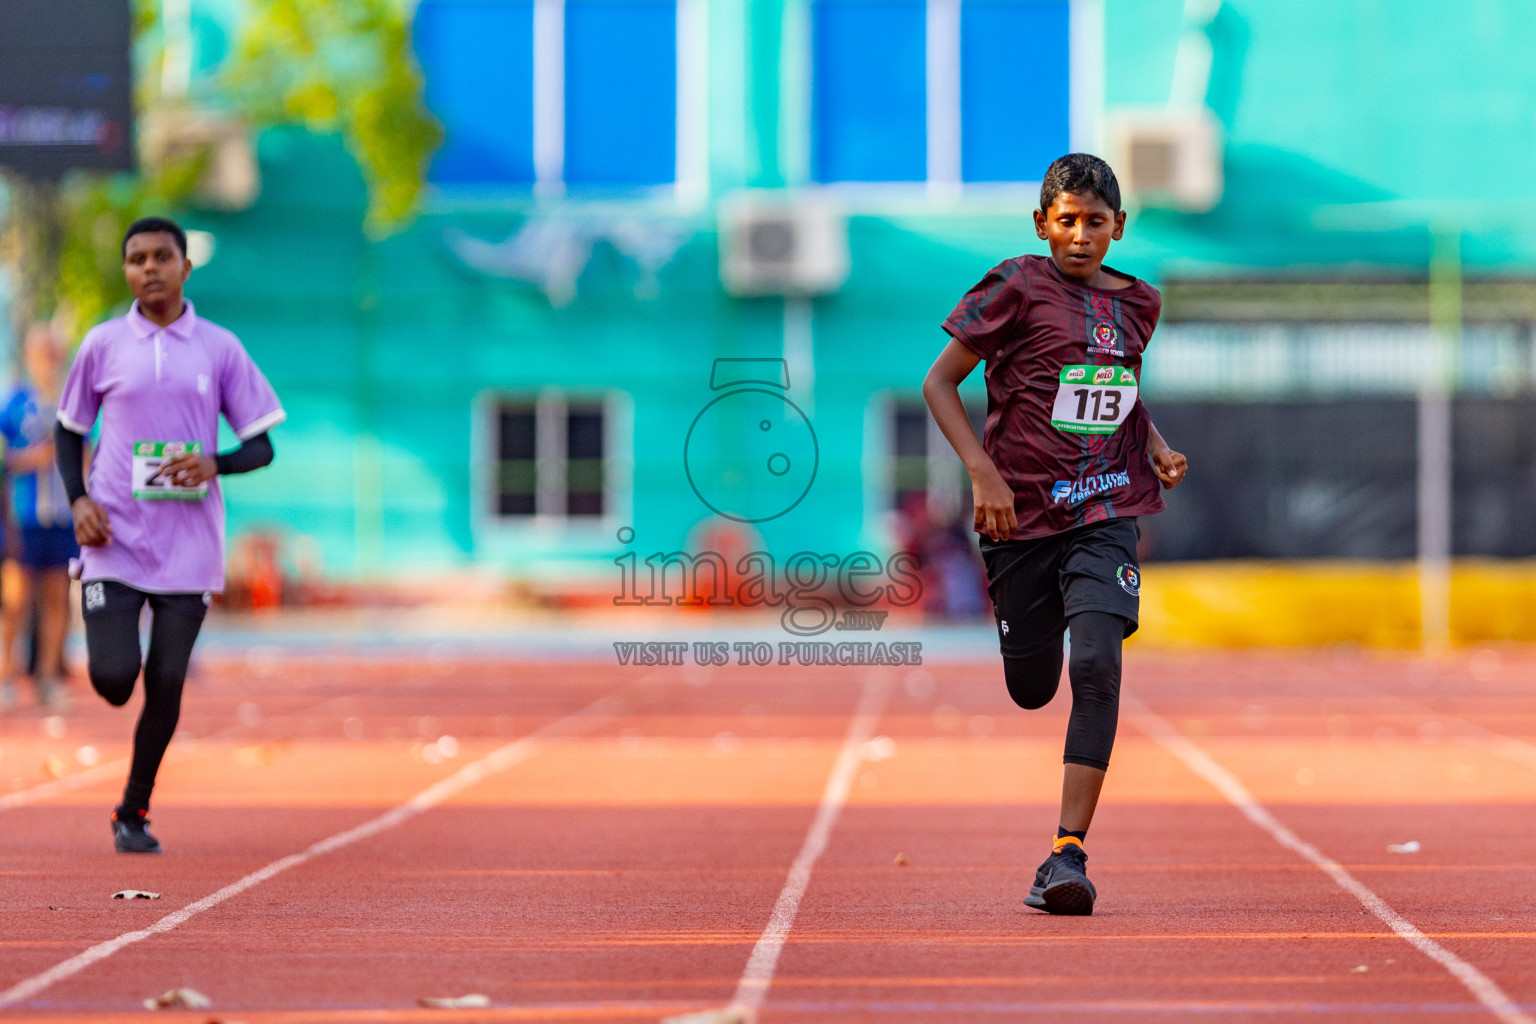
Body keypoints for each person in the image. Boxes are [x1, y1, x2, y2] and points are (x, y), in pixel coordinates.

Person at [923, 154, 1187, 915]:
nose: (1080, 236)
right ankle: (1023, 639)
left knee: (1098, 664)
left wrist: (1155, 443)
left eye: (1094, 223)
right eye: (1066, 222)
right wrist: (982, 473)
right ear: (1043, 225)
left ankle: (1066, 854)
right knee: (1033, 686)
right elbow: (939, 383)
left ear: (1118, 228)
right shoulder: (1015, 285)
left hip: (1106, 508)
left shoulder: (1139, 304)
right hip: (1020, 517)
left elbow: (1117, 391)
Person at [55, 216, 284, 854]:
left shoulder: (219, 348)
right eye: (136, 259)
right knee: (113, 677)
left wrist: (215, 462)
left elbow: (262, 445)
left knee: (167, 682)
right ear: (126, 271)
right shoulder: (102, 344)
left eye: (161, 257)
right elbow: (68, 429)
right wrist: (78, 501)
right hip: (114, 538)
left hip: (189, 546)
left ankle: (133, 810)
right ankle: (109, 670)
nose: (148, 268)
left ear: (186, 267)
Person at [0, 325, 78, 712]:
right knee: (14, 601)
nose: (48, 359)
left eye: (54, 351)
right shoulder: (14, 402)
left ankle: (48, 678)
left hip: (63, 517)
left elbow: (91, 451)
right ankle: (6, 677)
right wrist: (25, 459)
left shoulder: (73, 403)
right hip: (23, 517)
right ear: (30, 356)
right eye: (41, 352)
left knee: (56, 599)